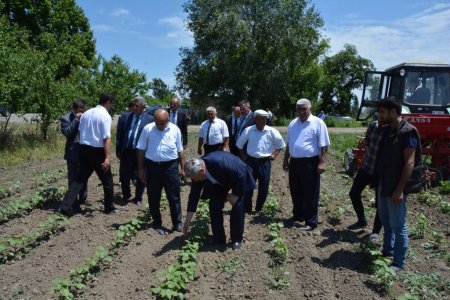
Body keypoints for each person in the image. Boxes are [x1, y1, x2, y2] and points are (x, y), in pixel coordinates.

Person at [375, 98, 420, 272]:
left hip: (396, 186)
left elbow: (409, 162)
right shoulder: (387, 130)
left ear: (393, 112)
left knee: (398, 225)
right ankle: (387, 251)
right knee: (385, 220)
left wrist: (400, 189)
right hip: (383, 183)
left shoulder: (408, 132)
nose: (380, 115)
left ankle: (399, 262)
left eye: (382, 112)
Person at [58, 93, 117, 216]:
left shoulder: (87, 113)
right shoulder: (105, 116)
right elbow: (106, 138)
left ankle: (64, 207)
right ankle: (109, 207)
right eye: (112, 103)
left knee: (79, 179)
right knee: (107, 181)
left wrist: (85, 144)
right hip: (98, 152)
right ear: (108, 103)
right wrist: (107, 157)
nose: (111, 106)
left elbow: (79, 133)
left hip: (84, 150)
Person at [183, 152, 256, 250]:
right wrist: (187, 221)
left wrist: (235, 194)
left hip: (239, 176)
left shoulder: (220, 163)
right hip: (219, 181)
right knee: (214, 206)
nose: (195, 181)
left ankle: (236, 239)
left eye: (195, 179)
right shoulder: (196, 172)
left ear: (202, 171)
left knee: (237, 207)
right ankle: (219, 239)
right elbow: (193, 196)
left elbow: (241, 173)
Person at [283, 98, 330, 231]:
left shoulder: (318, 123)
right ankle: (298, 215)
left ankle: (311, 222)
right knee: (295, 191)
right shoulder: (293, 123)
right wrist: (286, 160)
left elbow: (324, 146)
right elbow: (289, 144)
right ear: (296, 110)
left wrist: (322, 162)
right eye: (299, 109)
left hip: (310, 162)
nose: (302, 112)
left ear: (310, 109)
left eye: (305, 109)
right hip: (295, 162)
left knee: (310, 193)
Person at [137, 109, 185, 235]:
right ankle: (157, 223)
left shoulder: (175, 129)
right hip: (152, 167)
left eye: (162, 123)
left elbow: (180, 150)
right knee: (153, 197)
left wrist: (182, 167)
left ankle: (177, 222)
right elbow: (141, 150)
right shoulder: (148, 129)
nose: (159, 126)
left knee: (174, 196)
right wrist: (141, 169)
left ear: (167, 120)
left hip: (170, 167)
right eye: (157, 123)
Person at [236, 109, 285, 214]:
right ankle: (247, 208)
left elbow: (280, 145)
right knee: (248, 185)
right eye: (260, 119)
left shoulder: (271, 131)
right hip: (250, 162)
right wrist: (244, 156)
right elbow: (239, 144)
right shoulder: (248, 130)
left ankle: (259, 208)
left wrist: (274, 154)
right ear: (255, 120)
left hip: (264, 162)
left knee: (264, 186)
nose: (263, 121)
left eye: (264, 119)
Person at [347, 118, 384, 239]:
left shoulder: (391, 130)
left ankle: (376, 231)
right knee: (354, 193)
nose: (381, 116)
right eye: (380, 112)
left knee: (380, 203)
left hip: (381, 171)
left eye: (383, 112)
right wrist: (369, 147)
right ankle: (362, 220)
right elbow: (367, 139)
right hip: (367, 166)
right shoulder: (373, 125)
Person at [116, 96, 153, 205]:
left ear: (143, 106)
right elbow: (119, 134)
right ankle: (126, 195)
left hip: (141, 152)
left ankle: (138, 197)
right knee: (124, 175)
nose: (134, 107)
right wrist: (118, 150)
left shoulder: (149, 119)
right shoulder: (125, 117)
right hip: (127, 151)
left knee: (141, 175)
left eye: (137, 106)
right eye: (134, 105)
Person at [60, 99, 88, 208]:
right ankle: (73, 202)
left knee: (84, 177)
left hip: (84, 152)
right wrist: (76, 120)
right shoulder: (66, 118)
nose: (82, 113)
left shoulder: (86, 116)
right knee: (72, 178)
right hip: (72, 153)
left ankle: (83, 198)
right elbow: (67, 132)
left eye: (83, 110)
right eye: (80, 111)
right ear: (74, 109)